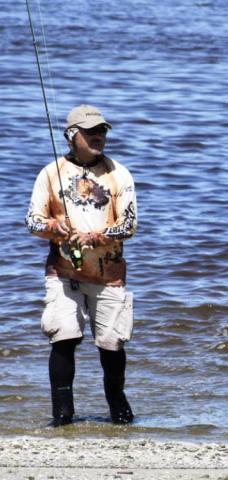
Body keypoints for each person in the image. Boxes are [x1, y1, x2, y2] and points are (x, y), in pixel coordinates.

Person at [26, 105, 138, 426]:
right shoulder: (50, 173)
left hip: (109, 274)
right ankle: (62, 416)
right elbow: (32, 221)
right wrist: (52, 226)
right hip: (62, 272)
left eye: (102, 131)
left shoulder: (119, 174)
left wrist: (97, 236)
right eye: (91, 132)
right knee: (63, 337)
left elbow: (129, 225)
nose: (98, 136)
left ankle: (119, 410)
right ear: (72, 136)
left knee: (112, 344)